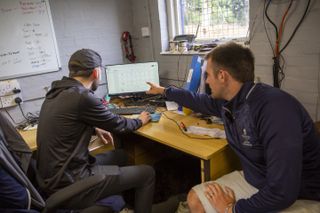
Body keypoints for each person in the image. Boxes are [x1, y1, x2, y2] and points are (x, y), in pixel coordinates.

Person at [146, 42, 320, 212]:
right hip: (258, 180)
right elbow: (198, 101)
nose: (206, 81)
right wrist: (163, 91)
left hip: (298, 194)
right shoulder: (229, 102)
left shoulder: (276, 110)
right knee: (196, 199)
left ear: (222, 76)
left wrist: (233, 208)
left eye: (207, 75)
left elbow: (283, 191)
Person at [36, 49, 155, 213]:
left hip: (51, 179)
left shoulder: (55, 92)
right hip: (72, 182)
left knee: (121, 155)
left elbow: (70, 123)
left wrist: (94, 127)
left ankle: (123, 200)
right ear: (96, 72)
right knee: (147, 173)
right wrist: (140, 120)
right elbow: (120, 125)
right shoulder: (82, 97)